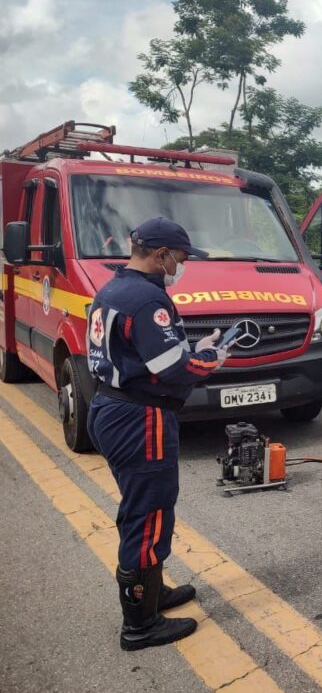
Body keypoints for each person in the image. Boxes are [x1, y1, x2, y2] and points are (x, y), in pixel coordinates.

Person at [86, 217, 227, 651]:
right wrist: (212, 358)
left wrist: (191, 350)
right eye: (180, 258)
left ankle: (153, 592)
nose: (181, 266)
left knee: (141, 508)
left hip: (110, 406)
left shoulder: (112, 289)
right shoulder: (148, 300)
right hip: (139, 417)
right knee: (147, 515)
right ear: (160, 254)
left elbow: (147, 352)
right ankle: (139, 625)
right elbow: (174, 370)